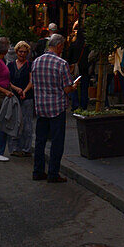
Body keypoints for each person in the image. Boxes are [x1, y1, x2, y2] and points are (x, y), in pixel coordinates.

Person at [31, 33, 78, 183]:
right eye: (62, 47)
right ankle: (53, 173)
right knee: (57, 142)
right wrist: (74, 86)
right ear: (59, 46)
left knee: (40, 141)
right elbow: (67, 88)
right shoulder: (61, 63)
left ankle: (38, 171)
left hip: (40, 107)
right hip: (56, 107)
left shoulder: (36, 62)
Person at [8, 41, 34, 155]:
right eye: (20, 51)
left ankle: (26, 148)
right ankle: (14, 147)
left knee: (27, 123)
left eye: (24, 52)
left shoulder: (30, 65)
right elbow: (7, 81)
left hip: (27, 97)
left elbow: (31, 81)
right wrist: (16, 89)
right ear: (16, 52)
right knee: (15, 122)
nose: (22, 54)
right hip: (14, 97)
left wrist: (24, 91)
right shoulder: (10, 65)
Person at [67, 28, 90, 111]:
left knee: (74, 87)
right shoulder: (87, 46)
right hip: (84, 69)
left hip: (74, 68)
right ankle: (83, 105)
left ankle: (75, 105)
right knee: (84, 88)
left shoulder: (73, 45)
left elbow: (69, 57)